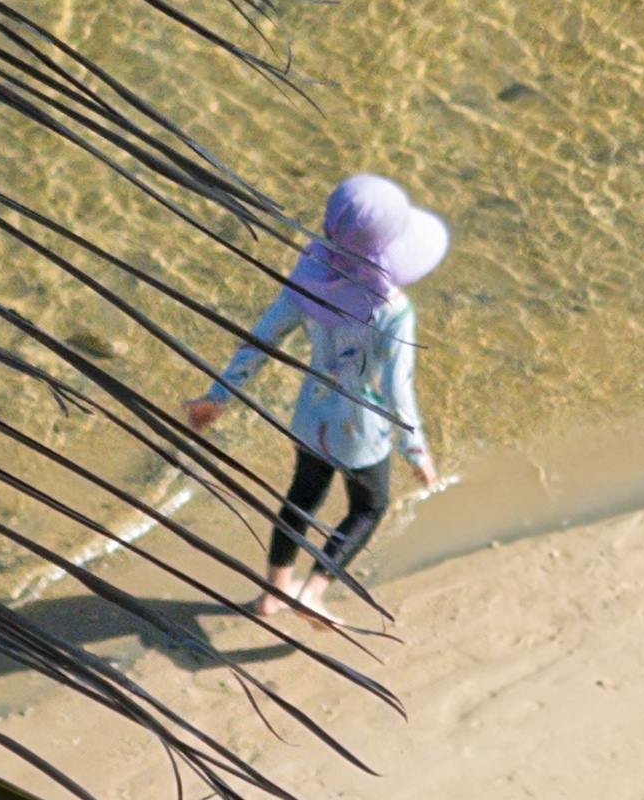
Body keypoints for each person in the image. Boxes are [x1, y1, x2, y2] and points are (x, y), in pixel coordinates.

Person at [183, 174, 448, 632]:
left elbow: (259, 342)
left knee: (302, 498)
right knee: (369, 506)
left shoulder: (307, 283)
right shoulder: (394, 311)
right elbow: (398, 390)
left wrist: (218, 397)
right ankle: (313, 592)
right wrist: (416, 450)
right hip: (361, 429)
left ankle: (273, 593)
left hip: (311, 416)